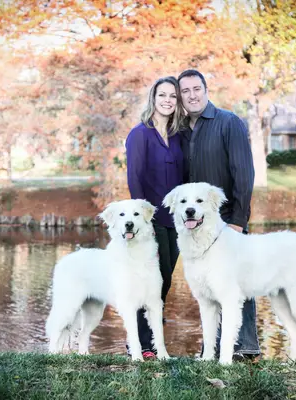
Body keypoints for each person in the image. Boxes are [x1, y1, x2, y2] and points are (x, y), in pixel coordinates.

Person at [177, 69, 260, 361]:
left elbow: (244, 174)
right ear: (180, 96)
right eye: (185, 91)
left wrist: (239, 220)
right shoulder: (181, 130)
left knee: (238, 282)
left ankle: (246, 346)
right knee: (208, 288)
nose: (192, 95)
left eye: (196, 88)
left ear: (206, 89)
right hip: (195, 223)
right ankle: (210, 348)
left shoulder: (229, 123)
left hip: (227, 222)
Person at [125, 76, 185, 359]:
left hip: (177, 221)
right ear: (153, 98)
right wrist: (141, 220)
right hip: (151, 220)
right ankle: (140, 343)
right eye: (163, 95)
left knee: (166, 280)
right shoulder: (140, 134)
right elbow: (134, 179)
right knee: (152, 280)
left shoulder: (177, 136)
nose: (168, 100)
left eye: (173, 96)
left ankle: (151, 340)